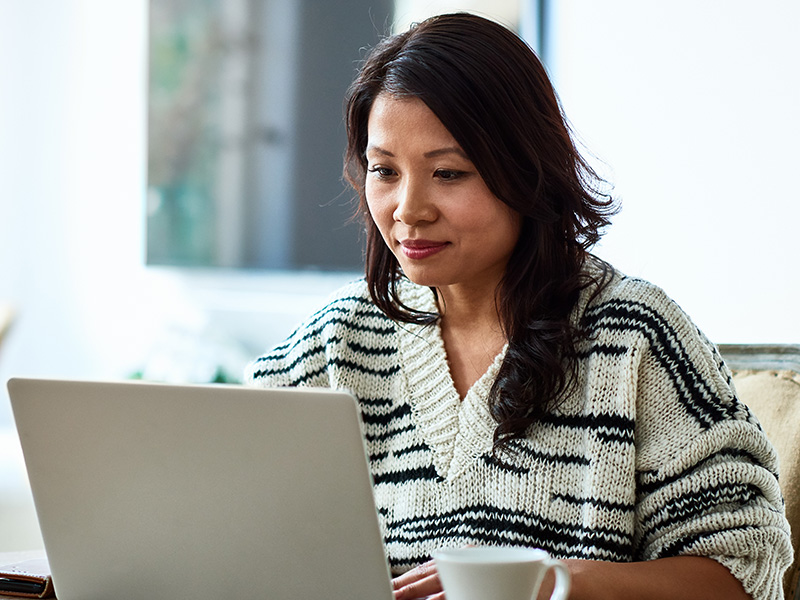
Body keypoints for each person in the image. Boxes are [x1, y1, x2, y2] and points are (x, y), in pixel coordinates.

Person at [246, 12, 792, 600]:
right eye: (384, 171)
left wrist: (558, 582)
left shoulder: (635, 337)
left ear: (526, 169)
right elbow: (223, 521)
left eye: (448, 173)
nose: (409, 209)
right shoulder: (335, 342)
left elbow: (742, 570)